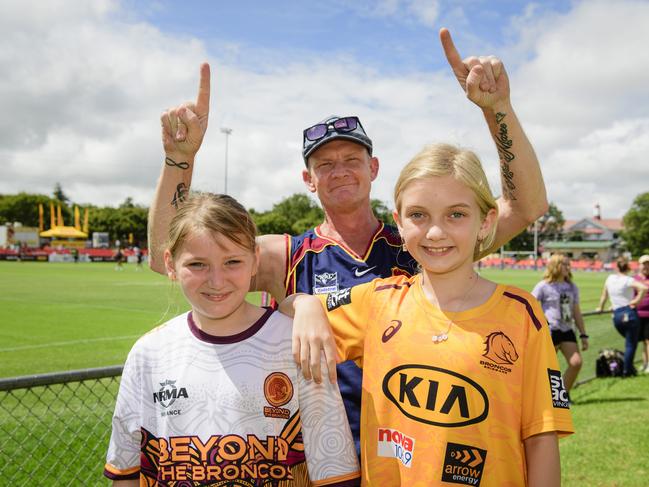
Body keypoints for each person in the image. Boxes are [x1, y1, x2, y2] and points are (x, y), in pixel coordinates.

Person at [147, 28, 549, 454]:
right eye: (325, 164)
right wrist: (180, 160)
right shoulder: (285, 254)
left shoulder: (423, 243)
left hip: (407, 452)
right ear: (308, 180)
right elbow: (165, 255)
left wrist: (497, 110)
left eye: (351, 160)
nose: (339, 171)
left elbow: (525, 207)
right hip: (316, 457)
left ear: (373, 167)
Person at [281, 143, 573, 486]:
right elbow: (283, 315)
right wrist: (306, 304)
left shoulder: (521, 313)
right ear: (399, 224)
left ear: (486, 221)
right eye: (418, 215)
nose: (436, 232)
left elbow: (541, 436)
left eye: (456, 214)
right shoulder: (376, 302)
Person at [104, 192, 360, 486]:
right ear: (171, 264)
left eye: (233, 262)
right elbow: (127, 472)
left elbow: (334, 470)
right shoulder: (149, 353)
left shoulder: (296, 343)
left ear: (255, 261)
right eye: (197, 265)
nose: (216, 280)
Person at [532, 254, 588, 392]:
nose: (568, 267)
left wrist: (583, 334)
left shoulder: (572, 287)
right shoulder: (543, 286)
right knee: (546, 368)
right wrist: (540, 322)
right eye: (564, 264)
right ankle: (540, 398)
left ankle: (561, 395)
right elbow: (530, 304)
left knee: (576, 363)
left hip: (567, 330)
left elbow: (576, 311)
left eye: (569, 264)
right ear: (555, 266)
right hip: (551, 331)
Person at [596, 256, 648, 377]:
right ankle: (627, 370)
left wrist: (600, 307)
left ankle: (628, 366)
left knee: (630, 342)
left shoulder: (610, 278)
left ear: (616, 267)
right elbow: (644, 288)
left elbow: (604, 295)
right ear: (628, 267)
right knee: (631, 344)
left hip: (616, 314)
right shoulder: (628, 280)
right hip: (629, 312)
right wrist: (636, 301)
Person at [635, 255, 649, 372]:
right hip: (638, 315)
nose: (646, 266)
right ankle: (645, 363)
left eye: (648, 264)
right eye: (644, 264)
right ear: (639, 265)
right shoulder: (634, 280)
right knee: (644, 342)